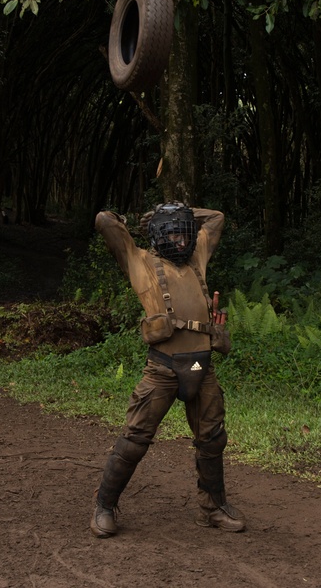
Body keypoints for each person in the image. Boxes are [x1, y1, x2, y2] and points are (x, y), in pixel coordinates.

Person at [90, 201, 245, 538]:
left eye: (184, 231)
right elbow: (104, 221)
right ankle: (104, 506)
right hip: (163, 369)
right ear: (158, 235)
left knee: (213, 439)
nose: (180, 238)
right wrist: (144, 218)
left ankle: (213, 508)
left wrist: (184, 212)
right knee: (135, 439)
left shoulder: (197, 258)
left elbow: (217, 217)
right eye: (171, 231)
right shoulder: (140, 261)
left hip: (201, 366)